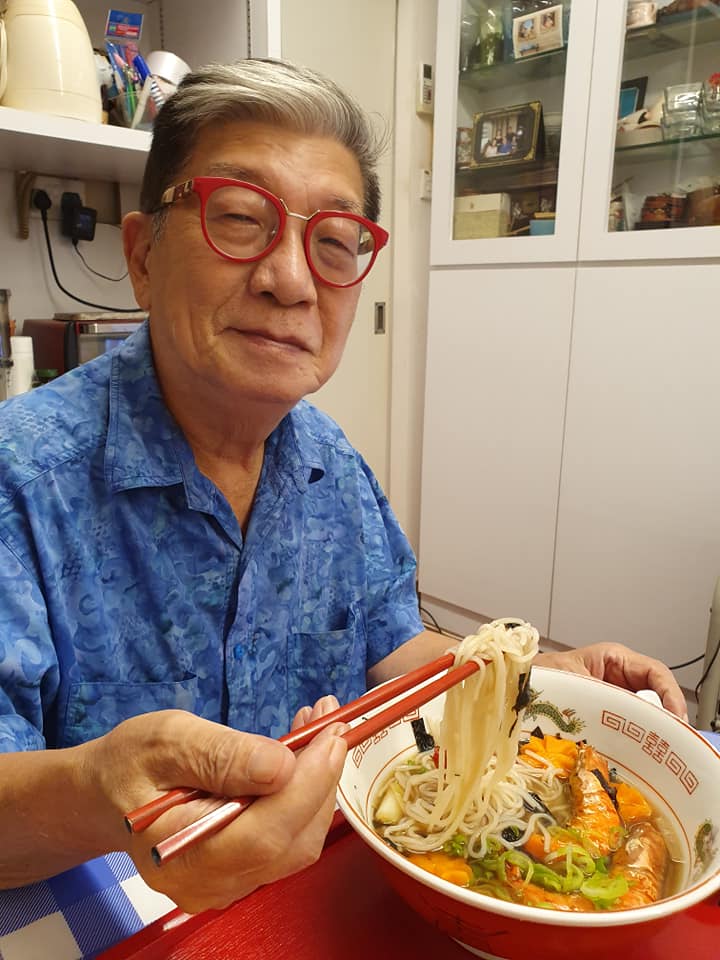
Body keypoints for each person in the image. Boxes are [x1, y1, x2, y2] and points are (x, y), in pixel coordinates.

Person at [0, 59, 687, 914]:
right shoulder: (20, 479)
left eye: (333, 244)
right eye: (241, 219)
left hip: (321, 888)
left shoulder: (326, 458)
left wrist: (539, 673)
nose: (291, 280)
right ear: (142, 255)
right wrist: (104, 794)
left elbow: (392, 649)